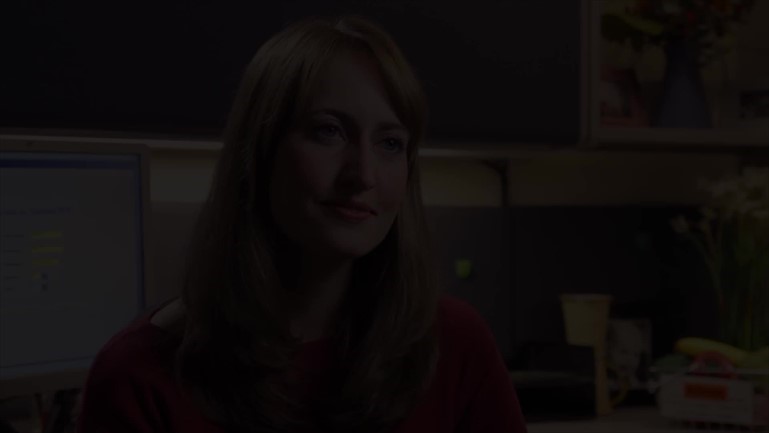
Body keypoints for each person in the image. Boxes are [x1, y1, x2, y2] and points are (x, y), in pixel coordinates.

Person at [76, 15, 527, 433]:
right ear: (259, 152)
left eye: (390, 143)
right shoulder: (139, 377)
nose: (363, 175)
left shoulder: (455, 345)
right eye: (329, 131)